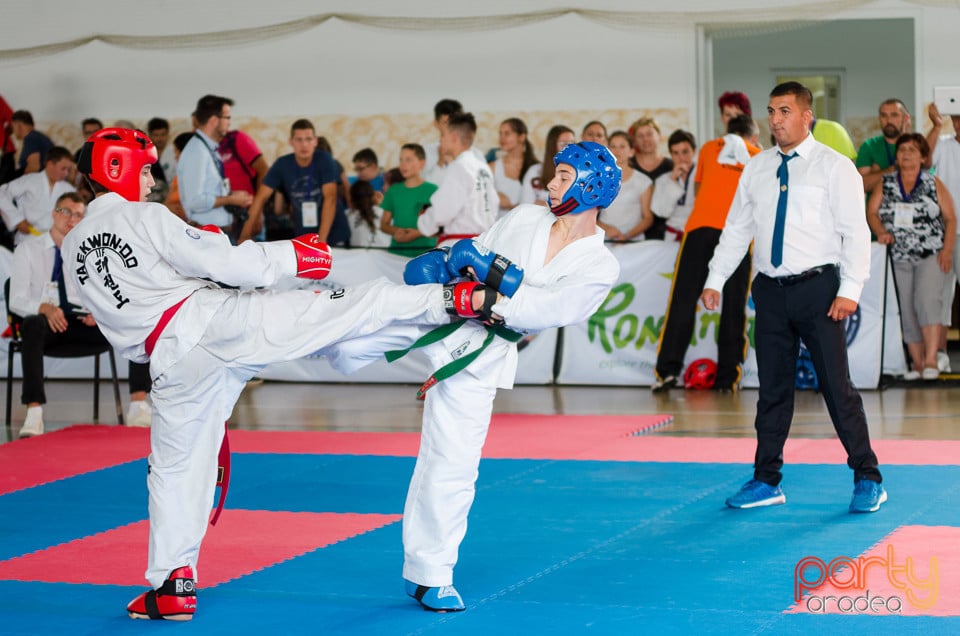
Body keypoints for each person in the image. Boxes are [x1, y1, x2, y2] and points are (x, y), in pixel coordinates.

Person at [64, 127, 493, 621]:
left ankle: (171, 585)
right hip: (216, 324)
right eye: (143, 172)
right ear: (114, 168)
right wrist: (295, 255)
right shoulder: (146, 216)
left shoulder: (73, 247)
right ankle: (450, 299)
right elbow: (226, 263)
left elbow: (113, 308)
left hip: (169, 363)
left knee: (175, 472)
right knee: (336, 310)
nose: (149, 182)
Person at [363, 141, 620, 612]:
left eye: (564, 177)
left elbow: (544, 309)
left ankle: (429, 573)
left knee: (453, 460)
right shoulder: (524, 217)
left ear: (592, 188)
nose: (551, 184)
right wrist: (446, 261)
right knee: (343, 329)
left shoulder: (599, 265)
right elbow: (470, 255)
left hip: (480, 352)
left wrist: (493, 288)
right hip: (436, 310)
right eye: (555, 174)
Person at [701, 81, 886, 514]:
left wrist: (850, 290)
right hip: (769, 291)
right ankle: (767, 480)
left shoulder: (835, 167)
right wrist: (715, 278)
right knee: (772, 390)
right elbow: (737, 229)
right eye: (771, 111)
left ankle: (868, 477)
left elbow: (856, 233)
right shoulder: (757, 167)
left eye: (785, 111)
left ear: (807, 116)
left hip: (819, 290)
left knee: (837, 388)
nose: (776, 120)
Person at [9, 192, 152, 437]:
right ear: (54, 213)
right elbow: (16, 300)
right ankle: (34, 412)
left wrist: (99, 310)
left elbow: (107, 291)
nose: (72, 220)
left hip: (85, 323)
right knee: (32, 324)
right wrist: (43, 308)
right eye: (66, 212)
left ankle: (138, 405)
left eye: (78, 215)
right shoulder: (28, 249)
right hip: (48, 325)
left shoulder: (92, 251)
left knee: (136, 319)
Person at [653, 115, 760, 393]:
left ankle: (666, 372)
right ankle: (728, 378)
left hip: (699, 229)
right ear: (753, 137)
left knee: (682, 301)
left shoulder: (709, 148)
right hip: (736, 234)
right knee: (734, 305)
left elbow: (699, 189)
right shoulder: (758, 157)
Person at [866, 133, 956, 380]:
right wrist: (881, 232)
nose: (906, 154)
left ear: (923, 157)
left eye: (912, 150)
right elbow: (872, 212)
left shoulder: (933, 182)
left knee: (927, 302)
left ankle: (931, 360)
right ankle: (917, 363)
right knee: (905, 308)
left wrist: (947, 251)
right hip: (897, 256)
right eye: (902, 149)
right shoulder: (886, 183)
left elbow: (950, 219)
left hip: (931, 254)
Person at [238, 119, 349, 246]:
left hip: (333, 236)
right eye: (299, 140)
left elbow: (330, 198)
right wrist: (244, 235)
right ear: (291, 141)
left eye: (308, 139)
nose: (304, 145)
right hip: (303, 237)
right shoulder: (282, 164)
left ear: (315, 141)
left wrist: (322, 241)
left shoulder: (324, 160)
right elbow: (260, 198)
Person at [176, 95, 253, 239]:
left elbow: (209, 190)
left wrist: (232, 195)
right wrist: (230, 200)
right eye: (227, 118)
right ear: (214, 120)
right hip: (206, 235)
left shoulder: (207, 148)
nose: (229, 123)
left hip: (215, 233)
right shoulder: (197, 151)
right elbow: (195, 201)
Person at [417, 112, 498, 246]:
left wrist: (424, 222)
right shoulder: (483, 167)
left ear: (454, 138)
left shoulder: (459, 167)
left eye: (443, 136)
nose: (440, 141)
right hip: (483, 244)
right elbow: (493, 206)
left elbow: (443, 210)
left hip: (459, 245)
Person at [926, 102, 960, 372]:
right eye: (956, 119)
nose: (959, 124)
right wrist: (937, 126)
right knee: (941, 295)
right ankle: (940, 353)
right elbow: (925, 161)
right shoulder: (944, 144)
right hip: (945, 232)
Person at [0, 146, 76, 245]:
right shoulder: (30, 180)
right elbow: (1, 194)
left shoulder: (69, 190)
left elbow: (79, 212)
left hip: (54, 242)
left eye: (68, 170)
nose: (66, 173)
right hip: (27, 239)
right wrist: (17, 220)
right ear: (50, 164)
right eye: (63, 168)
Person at [380, 143, 438, 255]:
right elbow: (384, 224)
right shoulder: (393, 191)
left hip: (424, 254)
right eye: (401, 160)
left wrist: (417, 233)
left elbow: (439, 226)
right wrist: (396, 231)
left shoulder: (433, 191)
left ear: (421, 163)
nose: (403, 165)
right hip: (396, 254)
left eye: (408, 160)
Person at [597, 130, 652, 241]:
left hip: (632, 242)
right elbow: (588, 214)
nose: (617, 151)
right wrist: (606, 229)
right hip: (604, 240)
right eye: (613, 146)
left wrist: (626, 236)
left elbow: (648, 218)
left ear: (631, 152)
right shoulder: (598, 179)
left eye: (622, 146)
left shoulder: (643, 181)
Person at [629, 117, 674, 239]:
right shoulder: (628, 166)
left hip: (666, 232)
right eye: (640, 136)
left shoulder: (671, 166)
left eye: (649, 134)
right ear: (634, 141)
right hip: (633, 232)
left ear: (659, 136)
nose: (645, 139)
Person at [856, 98, 912, 192]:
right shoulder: (869, 146)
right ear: (879, 118)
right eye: (883, 115)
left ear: (905, 118)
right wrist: (891, 170)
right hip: (876, 202)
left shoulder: (916, 146)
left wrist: (876, 173)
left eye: (894, 115)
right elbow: (861, 185)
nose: (889, 120)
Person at [650, 130, 697, 240]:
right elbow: (662, 212)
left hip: (697, 234)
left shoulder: (704, 176)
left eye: (685, 152)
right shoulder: (663, 180)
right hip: (672, 235)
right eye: (675, 153)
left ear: (694, 151)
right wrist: (672, 180)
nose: (681, 158)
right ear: (670, 154)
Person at [489, 117, 538, 216]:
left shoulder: (536, 168)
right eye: (500, 133)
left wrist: (512, 206)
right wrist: (494, 196)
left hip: (528, 223)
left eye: (507, 133)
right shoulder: (492, 167)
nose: (502, 138)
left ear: (522, 137)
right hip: (499, 223)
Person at [519, 124, 574, 207]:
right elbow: (526, 205)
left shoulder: (579, 172)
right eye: (563, 144)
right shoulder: (535, 171)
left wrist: (543, 204)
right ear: (552, 146)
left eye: (572, 144)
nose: (569, 149)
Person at [346, 180, 390, 248]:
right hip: (384, 252)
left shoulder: (347, 215)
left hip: (356, 253)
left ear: (351, 198)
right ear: (373, 197)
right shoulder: (384, 212)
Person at [10, 110, 53, 176]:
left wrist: (18, 180)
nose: (13, 131)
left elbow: (34, 168)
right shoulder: (36, 136)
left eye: (13, 127)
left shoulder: (31, 139)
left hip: (40, 178)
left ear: (19, 125)